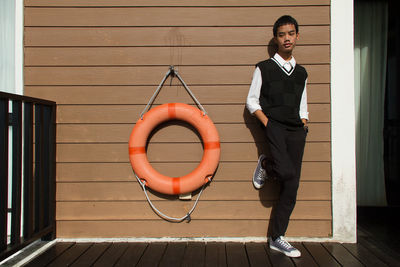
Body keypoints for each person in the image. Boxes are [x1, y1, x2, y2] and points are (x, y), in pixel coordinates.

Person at [246, 15, 309, 258]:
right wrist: (268, 123)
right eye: (282, 34)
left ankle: (276, 237)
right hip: (274, 127)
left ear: (297, 36)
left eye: (290, 33)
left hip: (296, 130)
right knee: (285, 172)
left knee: (291, 185)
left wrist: (303, 123)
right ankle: (267, 163)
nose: (286, 38)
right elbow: (252, 101)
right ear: (276, 38)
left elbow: (303, 105)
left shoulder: (302, 73)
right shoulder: (264, 68)